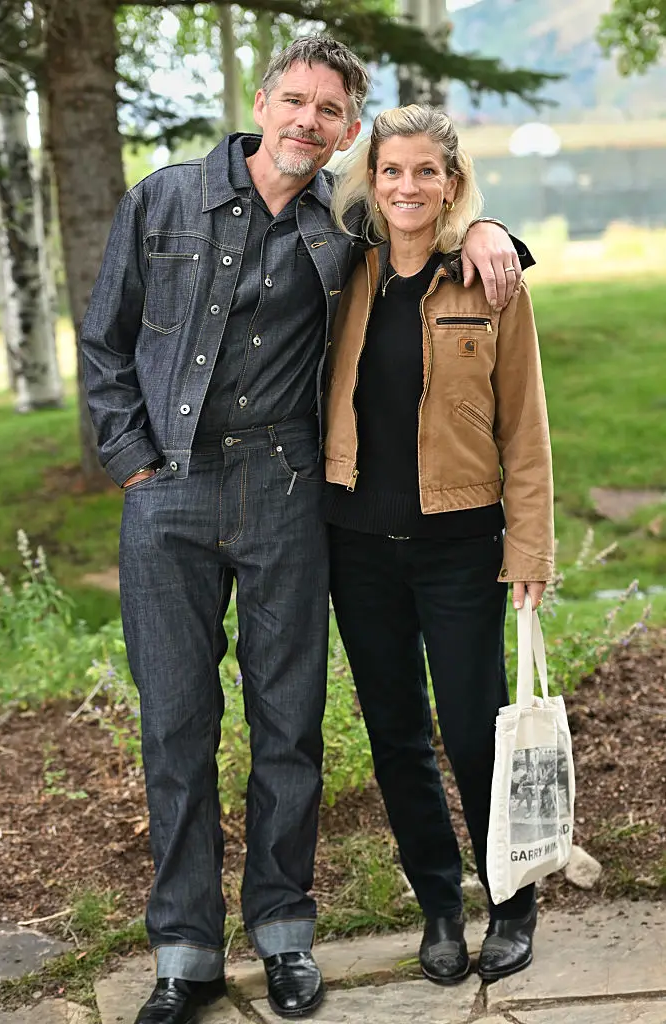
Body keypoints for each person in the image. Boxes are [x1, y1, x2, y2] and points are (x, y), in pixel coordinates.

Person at [81, 37, 534, 1024]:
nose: (307, 122)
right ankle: (187, 950)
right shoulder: (160, 200)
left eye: (329, 112)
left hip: (287, 495)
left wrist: (492, 222)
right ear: (260, 100)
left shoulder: (343, 223)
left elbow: (431, 210)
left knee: (288, 724)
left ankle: (283, 932)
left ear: (342, 132)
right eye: (294, 101)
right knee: (177, 726)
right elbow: (104, 342)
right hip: (169, 496)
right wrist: (134, 462)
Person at [326, 104, 554, 985]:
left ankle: (512, 901)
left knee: (474, 731)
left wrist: (528, 549)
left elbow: (525, 430)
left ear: (452, 182)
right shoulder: (339, 268)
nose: (408, 187)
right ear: (371, 180)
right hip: (354, 543)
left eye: (427, 171)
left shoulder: (491, 281)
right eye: (391, 171)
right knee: (395, 735)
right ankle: (437, 907)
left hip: (460, 545)